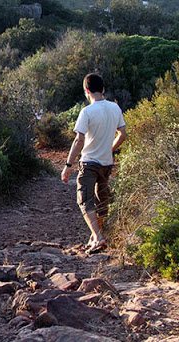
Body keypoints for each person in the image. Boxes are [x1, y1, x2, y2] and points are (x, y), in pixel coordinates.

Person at [61, 73, 128, 255]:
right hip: (107, 163)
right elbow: (122, 134)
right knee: (102, 200)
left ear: (87, 91)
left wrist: (68, 165)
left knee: (84, 200)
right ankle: (95, 235)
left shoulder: (87, 112)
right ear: (103, 89)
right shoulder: (115, 108)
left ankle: (98, 237)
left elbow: (78, 140)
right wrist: (110, 149)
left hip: (89, 162)